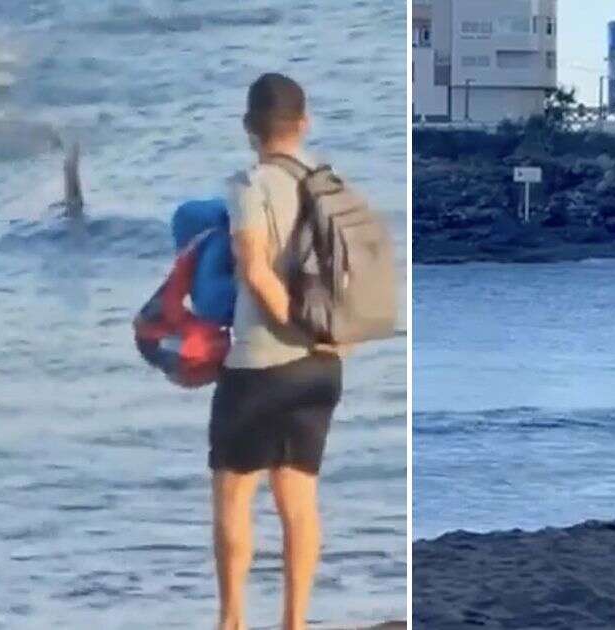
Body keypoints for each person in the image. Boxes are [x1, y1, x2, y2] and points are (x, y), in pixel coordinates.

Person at [211, 72, 344, 630]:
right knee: (299, 496)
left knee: (234, 492)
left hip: (263, 362)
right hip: (324, 366)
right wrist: (325, 335)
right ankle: (296, 622)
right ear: (304, 123)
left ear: (249, 128)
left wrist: (294, 326)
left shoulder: (251, 184)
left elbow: (255, 270)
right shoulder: (330, 183)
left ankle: (232, 620)